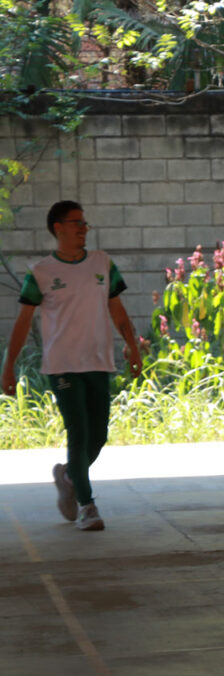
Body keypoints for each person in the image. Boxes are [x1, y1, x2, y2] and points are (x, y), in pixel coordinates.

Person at [1, 201, 142, 531]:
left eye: (85, 223)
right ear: (58, 228)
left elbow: (117, 310)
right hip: (62, 366)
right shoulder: (40, 272)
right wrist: (9, 366)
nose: (83, 228)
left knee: (99, 436)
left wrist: (133, 348)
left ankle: (66, 475)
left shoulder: (102, 263)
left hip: (98, 361)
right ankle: (87, 505)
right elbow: (23, 322)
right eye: (76, 223)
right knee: (78, 433)